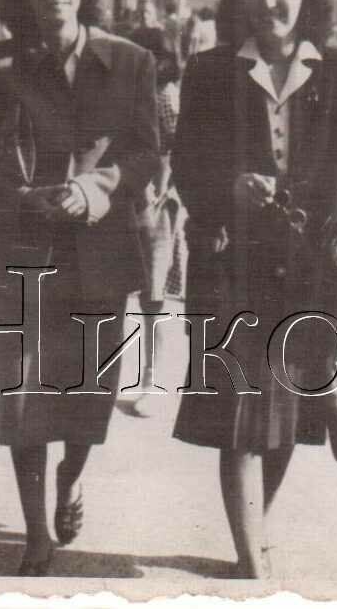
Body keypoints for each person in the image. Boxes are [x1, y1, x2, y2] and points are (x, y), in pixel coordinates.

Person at [0, 0, 159, 576]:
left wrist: (95, 190)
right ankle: (36, 530)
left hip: (99, 253)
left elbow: (146, 153)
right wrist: (19, 199)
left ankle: (71, 477)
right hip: (19, 251)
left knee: (89, 397)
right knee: (22, 396)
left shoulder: (129, 62)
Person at [171, 0, 337, 579]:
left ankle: (257, 527)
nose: (268, 2)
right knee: (238, 415)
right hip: (234, 265)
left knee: (289, 417)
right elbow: (185, 167)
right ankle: (251, 557)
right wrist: (225, 188)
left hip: (311, 272)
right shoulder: (208, 72)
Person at [128, 30, 188, 418]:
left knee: (153, 294)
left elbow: (175, 148)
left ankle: (153, 378)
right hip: (124, 196)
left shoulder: (163, 96)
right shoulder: (124, 93)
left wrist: (159, 189)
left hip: (154, 202)